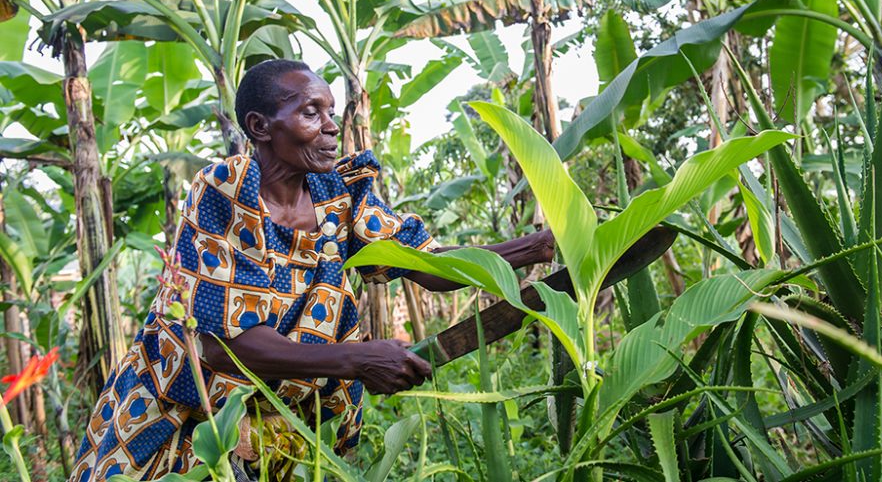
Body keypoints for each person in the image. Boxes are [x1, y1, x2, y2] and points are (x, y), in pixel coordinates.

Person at [70, 59, 554, 481]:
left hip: (281, 418)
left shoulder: (338, 194)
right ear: (261, 126)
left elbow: (430, 266)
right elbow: (223, 346)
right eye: (309, 112)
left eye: (329, 112)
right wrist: (356, 360)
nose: (330, 127)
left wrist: (537, 247)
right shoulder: (224, 191)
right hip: (183, 413)